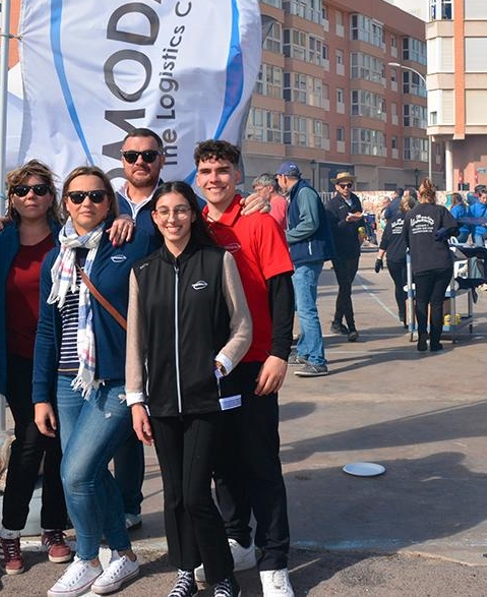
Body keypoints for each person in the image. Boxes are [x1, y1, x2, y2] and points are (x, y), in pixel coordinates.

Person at [126, 180, 253, 597]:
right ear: (154, 218)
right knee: (175, 496)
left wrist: (221, 363)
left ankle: (222, 577)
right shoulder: (143, 271)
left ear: (193, 215)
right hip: (161, 402)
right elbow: (136, 343)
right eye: (163, 211)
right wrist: (136, 400)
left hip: (205, 399)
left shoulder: (216, 262)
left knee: (197, 493)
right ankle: (185, 569)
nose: (172, 218)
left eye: (181, 210)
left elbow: (242, 326)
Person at [32, 166, 151, 597]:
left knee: (75, 474)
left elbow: (178, 222)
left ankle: (86, 556)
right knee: (91, 472)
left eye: (97, 196)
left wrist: (134, 222)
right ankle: (121, 555)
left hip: (116, 378)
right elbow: (48, 330)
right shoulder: (55, 257)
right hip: (67, 382)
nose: (87, 204)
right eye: (78, 196)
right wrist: (39, 395)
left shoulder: (130, 241)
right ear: (65, 203)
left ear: (110, 202)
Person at [194, 140, 297, 597]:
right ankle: (239, 539)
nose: (213, 178)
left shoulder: (258, 221)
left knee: (261, 462)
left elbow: (281, 292)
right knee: (222, 461)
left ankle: (275, 560)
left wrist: (279, 353)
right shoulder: (189, 225)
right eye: (206, 171)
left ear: (237, 174)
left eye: (221, 169)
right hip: (211, 366)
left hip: (256, 362)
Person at [0, 160, 71, 575]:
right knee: (30, 441)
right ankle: (10, 532)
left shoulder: (67, 240)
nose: (31, 196)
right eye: (22, 191)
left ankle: (53, 527)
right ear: (13, 198)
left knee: (59, 444)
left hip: (65, 361)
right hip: (20, 359)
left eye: (39, 189)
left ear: (52, 196)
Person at [276, 160, 334, 377]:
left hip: (308, 257)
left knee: (307, 309)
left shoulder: (304, 193)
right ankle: (304, 351)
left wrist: (284, 237)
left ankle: (318, 360)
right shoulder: (298, 193)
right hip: (303, 256)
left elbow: (310, 223)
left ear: (283, 177)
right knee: (302, 306)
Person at [403, 179, 458, 352]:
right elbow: (455, 229)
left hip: (421, 263)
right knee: (436, 303)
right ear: (434, 195)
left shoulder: (410, 215)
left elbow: (406, 240)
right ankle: (435, 341)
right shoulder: (441, 211)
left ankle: (421, 338)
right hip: (442, 262)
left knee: (421, 301)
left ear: (419, 195)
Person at [326, 171, 364, 342]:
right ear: (336, 187)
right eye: (343, 186)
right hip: (339, 251)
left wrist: (362, 230)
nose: (347, 188)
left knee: (345, 287)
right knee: (346, 286)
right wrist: (346, 222)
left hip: (354, 249)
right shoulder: (332, 205)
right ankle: (352, 326)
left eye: (349, 185)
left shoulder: (355, 200)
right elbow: (331, 229)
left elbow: (361, 221)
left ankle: (336, 321)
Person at [379, 193, 416, 327]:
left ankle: (403, 313)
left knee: (399, 286)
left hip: (392, 258)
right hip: (408, 258)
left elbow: (385, 240)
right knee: (411, 286)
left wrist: (379, 258)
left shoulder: (392, 221)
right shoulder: (413, 220)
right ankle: (412, 314)